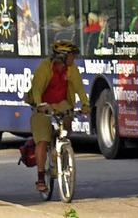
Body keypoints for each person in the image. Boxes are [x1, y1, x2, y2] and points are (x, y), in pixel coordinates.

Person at [26, 40, 91, 191]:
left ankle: (59, 142)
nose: (74, 59)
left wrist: (85, 104)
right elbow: (36, 88)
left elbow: (79, 87)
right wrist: (39, 105)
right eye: (72, 56)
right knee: (42, 141)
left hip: (61, 102)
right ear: (63, 57)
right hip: (43, 103)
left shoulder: (71, 69)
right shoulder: (45, 68)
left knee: (67, 123)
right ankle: (41, 178)